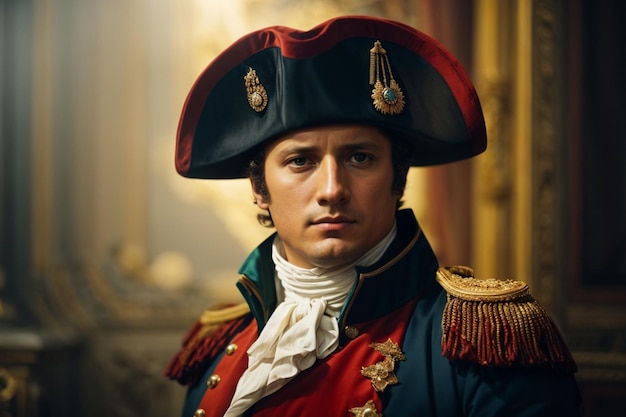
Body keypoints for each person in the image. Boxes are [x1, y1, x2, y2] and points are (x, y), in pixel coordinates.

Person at [165, 15, 581, 417]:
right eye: (300, 161)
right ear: (259, 189)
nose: (332, 189)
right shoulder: (220, 343)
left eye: (359, 157)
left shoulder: (487, 342)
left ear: (397, 180)